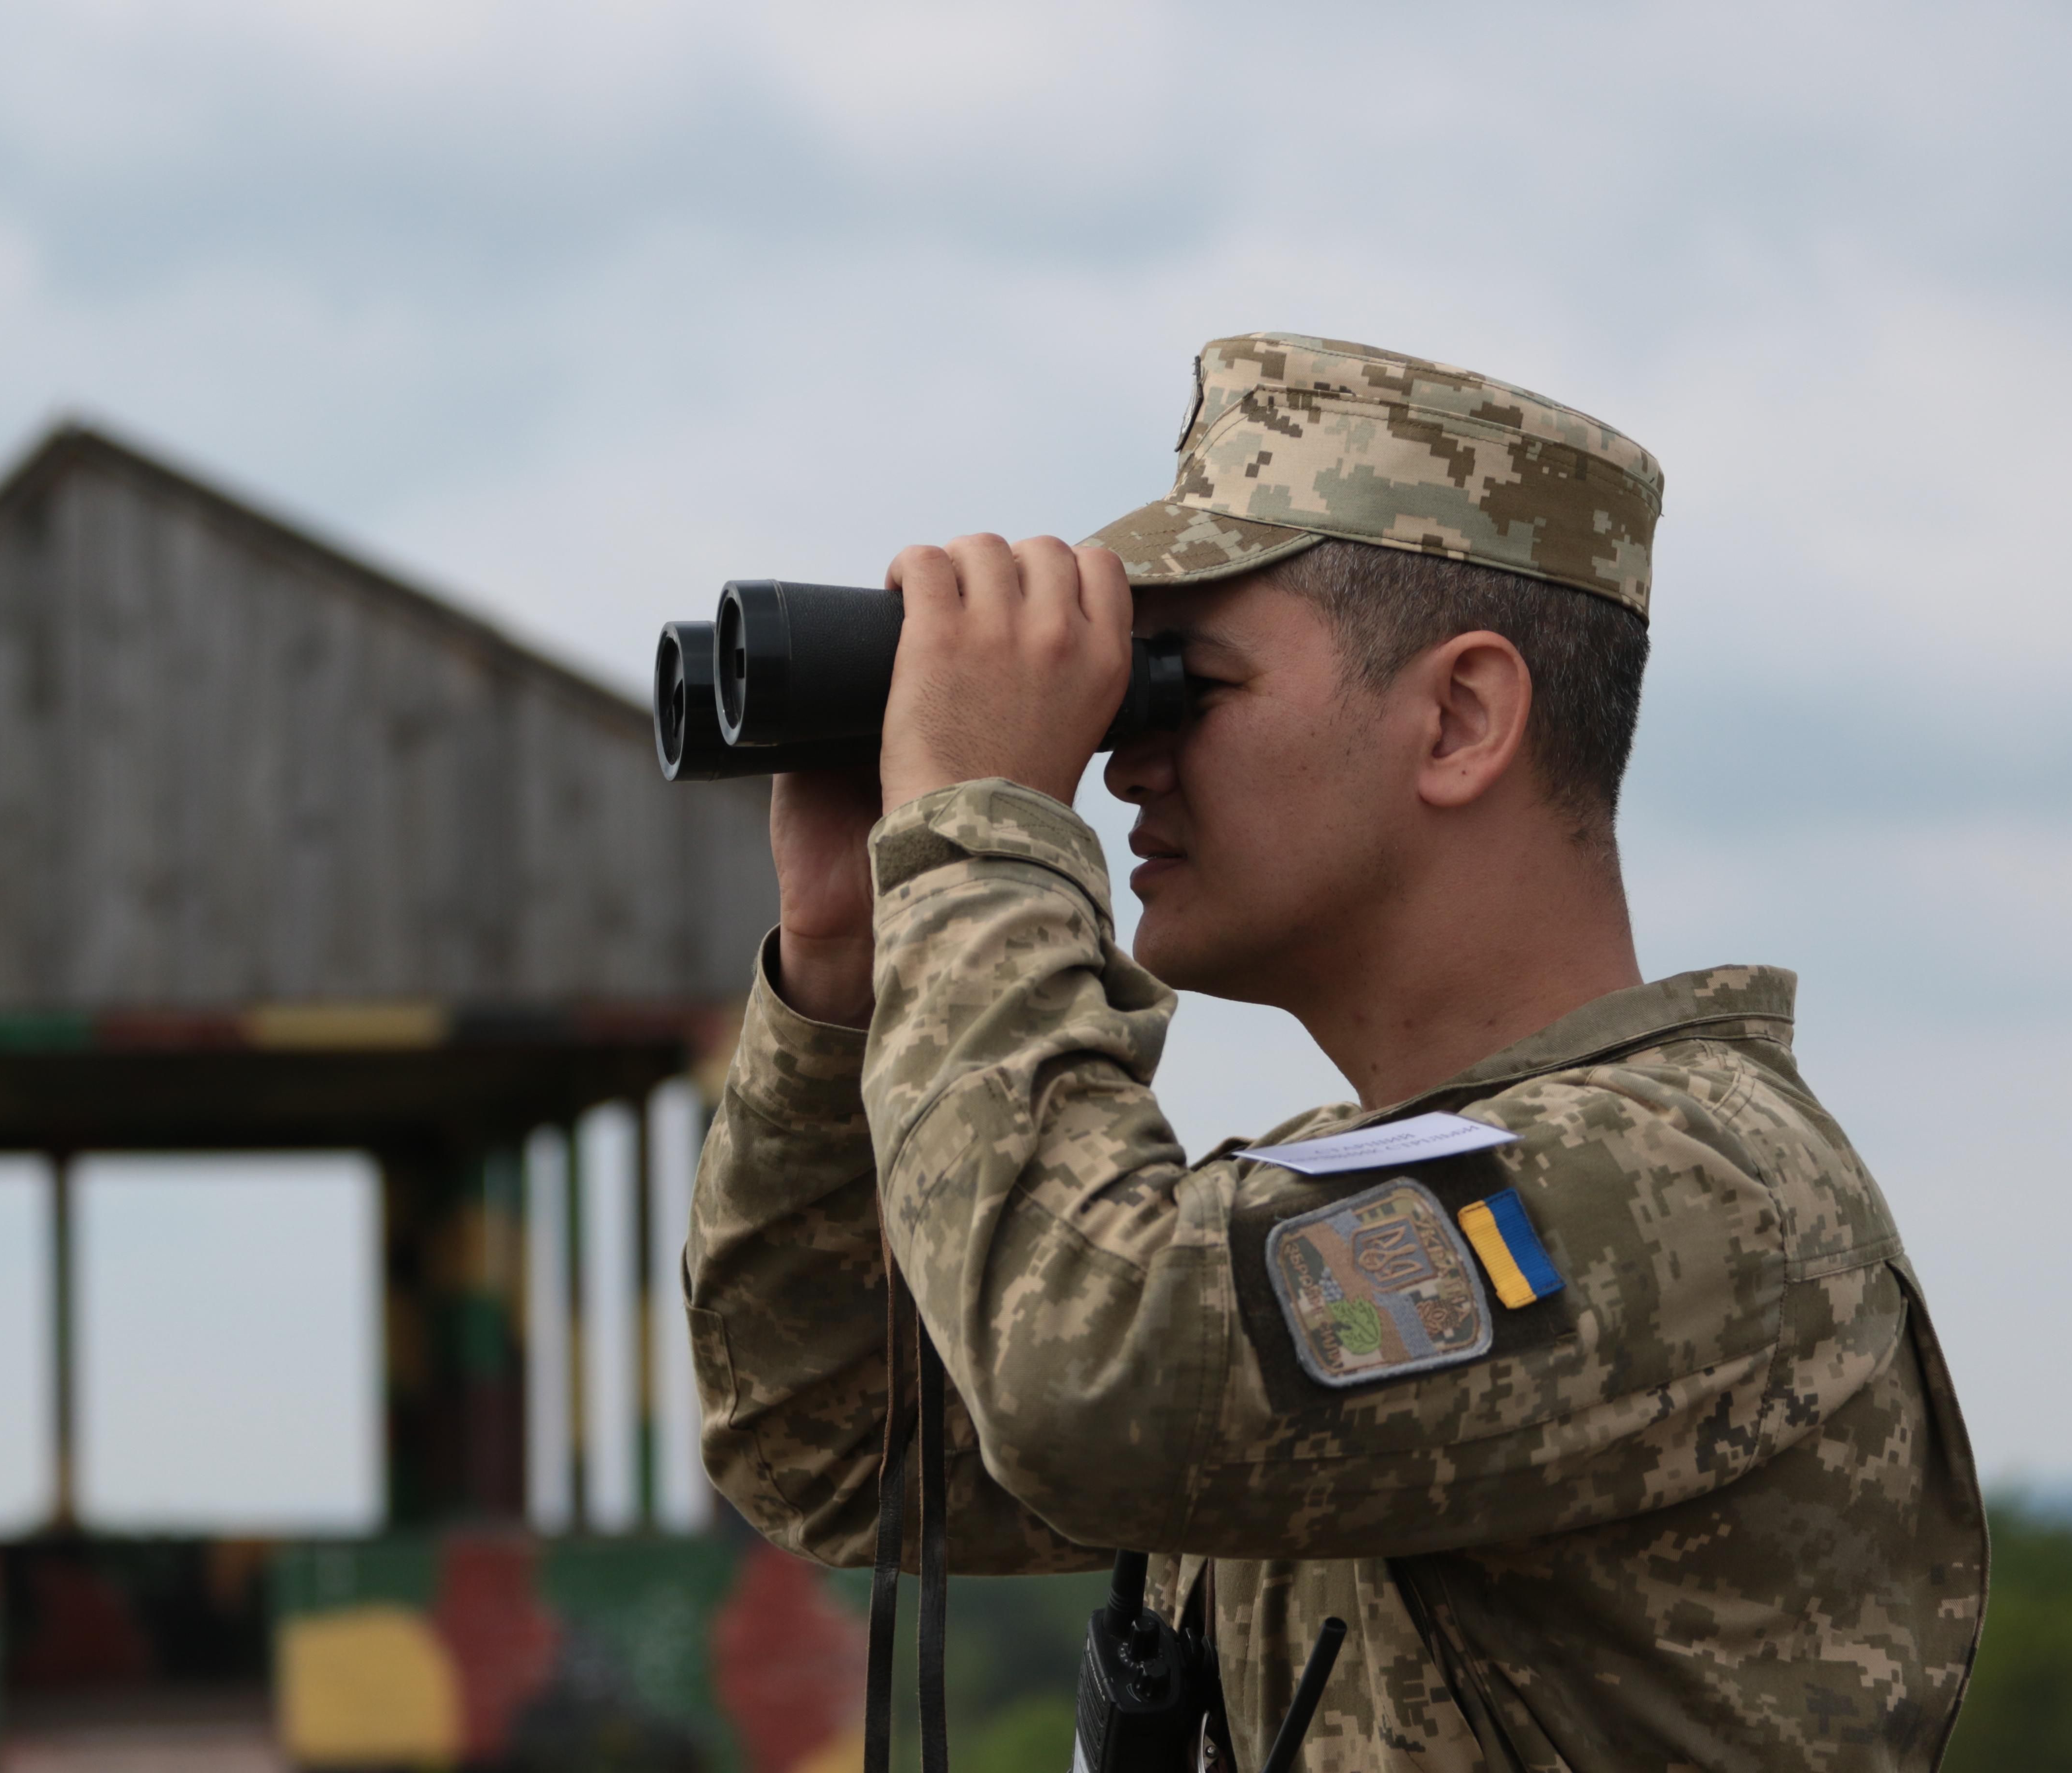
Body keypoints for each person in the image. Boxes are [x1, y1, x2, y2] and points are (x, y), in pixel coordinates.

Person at [683, 333, 1986, 1772]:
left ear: (1460, 718)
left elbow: (1088, 1377)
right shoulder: (1346, 1199)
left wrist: (978, 829)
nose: (1121, 765)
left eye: (1188, 687)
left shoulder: (1702, 1191)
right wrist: (845, 972)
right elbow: (841, 1446)